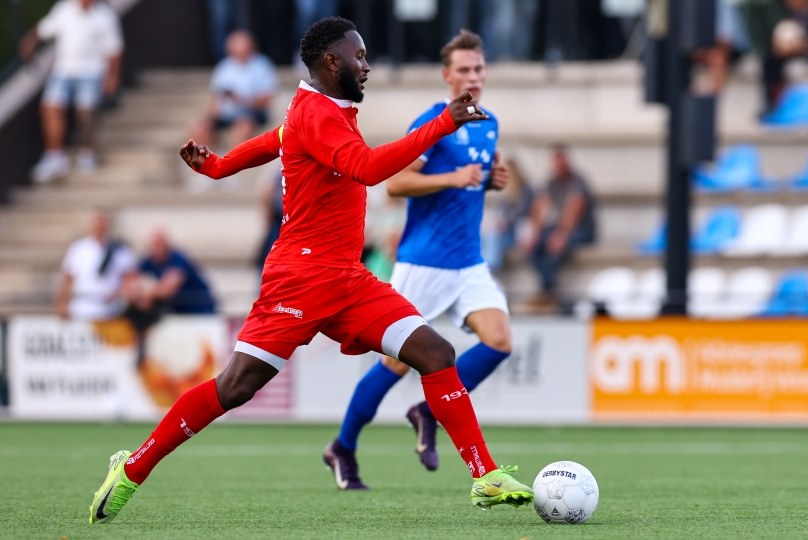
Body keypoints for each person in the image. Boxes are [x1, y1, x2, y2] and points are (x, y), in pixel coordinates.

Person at [88, 17, 533, 525]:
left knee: (435, 352)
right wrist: (444, 123)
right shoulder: (319, 114)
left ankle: (485, 476)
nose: (366, 66)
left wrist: (218, 166)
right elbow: (366, 169)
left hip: (347, 278)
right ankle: (133, 467)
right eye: (359, 57)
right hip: (298, 278)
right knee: (235, 388)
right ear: (331, 61)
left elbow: (273, 140)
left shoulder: (322, 110)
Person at [323, 29, 514, 490]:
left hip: (467, 262)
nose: (473, 75)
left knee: (500, 340)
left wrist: (487, 181)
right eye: (464, 69)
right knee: (396, 363)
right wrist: (454, 177)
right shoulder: (433, 120)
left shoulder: (489, 123)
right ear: (448, 75)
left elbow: (471, 178)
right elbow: (395, 184)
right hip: (423, 262)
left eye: (479, 67)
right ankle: (343, 447)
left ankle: (428, 409)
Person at [19, 0, 123, 183]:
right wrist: (30, 41)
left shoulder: (105, 15)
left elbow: (113, 48)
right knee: (51, 108)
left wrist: (112, 75)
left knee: (86, 113)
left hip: (92, 71)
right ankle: (54, 155)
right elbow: (45, 29)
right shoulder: (64, 9)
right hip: (63, 70)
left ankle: (87, 151)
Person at [522, 145, 596, 309]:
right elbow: (540, 207)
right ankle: (549, 287)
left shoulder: (577, 182)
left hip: (581, 230)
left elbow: (574, 212)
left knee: (558, 246)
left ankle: (546, 290)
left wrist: (561, 234)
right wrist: (532, 233)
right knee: (535, 246)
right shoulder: (551, 183)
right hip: (557, 228)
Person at [192, 30, 279, 149]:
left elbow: (268, 98)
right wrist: (210, 117)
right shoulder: (224, 67)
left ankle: (236, 165)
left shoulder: (262, 65)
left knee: (243, 127)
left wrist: (244, 101)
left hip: (252, 113)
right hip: (226, 114)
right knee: (199, 128)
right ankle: (206, 164)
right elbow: (215, 97)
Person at [54, 209, 138, 321]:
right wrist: (61, 303)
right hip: (82, 308)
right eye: (97, 223)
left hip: (111, 310)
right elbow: (67, 279)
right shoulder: (78, 249)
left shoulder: (121, 250)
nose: (99, 227)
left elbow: (129, 280)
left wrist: (120, 293)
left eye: (103, 223)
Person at [135, 229, 217, 316]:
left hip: (200, 309)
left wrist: (147, 291)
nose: (156, 248)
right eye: (154, 245)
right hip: (178, 313)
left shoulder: (178, 259)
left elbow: (168, 289)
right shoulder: (148, 262)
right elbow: (133, 284)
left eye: (159, 244)